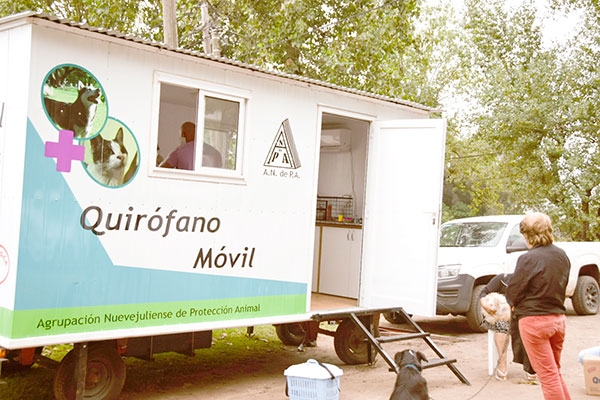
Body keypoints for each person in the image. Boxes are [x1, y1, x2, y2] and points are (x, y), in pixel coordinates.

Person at [506, 212, 571, 400]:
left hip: (534, 322)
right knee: (554, 371)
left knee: (548, 376)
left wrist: (512, 303)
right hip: (558, 320)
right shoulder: (562, 255)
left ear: (527, 235)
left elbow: (514, 292)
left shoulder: (527, 258)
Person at [479, 273, 536, 382]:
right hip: (500, 317)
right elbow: (484, 292)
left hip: (523, 315)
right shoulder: (501, 279)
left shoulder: (532, 281)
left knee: (528, 325)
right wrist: (485, 303)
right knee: (502, 326)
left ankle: (530, 366)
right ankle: (502, 364)